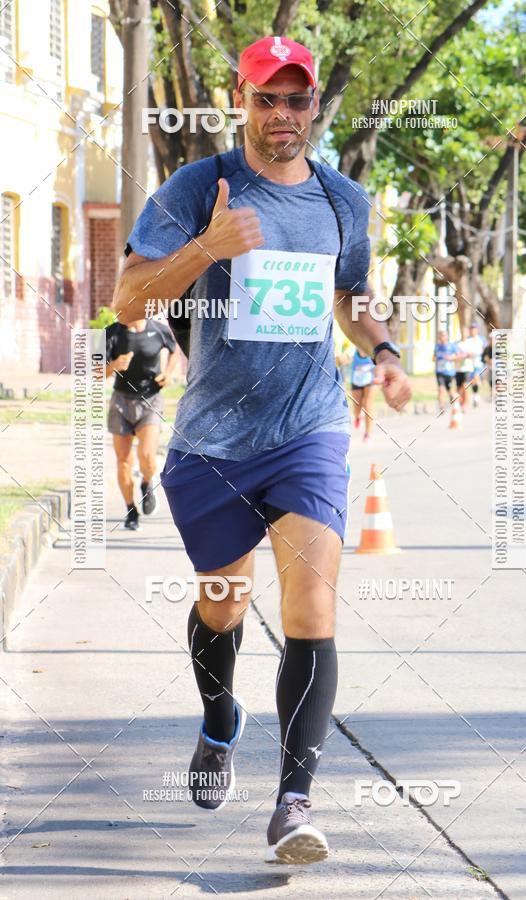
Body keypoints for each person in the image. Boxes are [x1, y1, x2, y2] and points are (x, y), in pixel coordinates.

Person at [112, 35, 411, 865]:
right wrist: (208, 247)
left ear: (316, 104)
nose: (283, 115)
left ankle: (292, 802)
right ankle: (219, 722)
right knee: (223, 605)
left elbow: (350, 303)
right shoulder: (197, 186)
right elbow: (126, 294)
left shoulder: (345, 200)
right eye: (266, 99)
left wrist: (382, 353)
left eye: (297, 99)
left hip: (309, 430)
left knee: (312, 610)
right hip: (212, 443)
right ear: (241, 102)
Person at [106, 317, 178, 529]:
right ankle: (131, 510)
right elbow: (93, 371)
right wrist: (113, 366)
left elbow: (174, 349)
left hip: (150, 399)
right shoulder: (111, 332)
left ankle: (147, 482)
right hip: (121, 401)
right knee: (123, 461)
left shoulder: (159, 330)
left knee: (146, 454)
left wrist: (168, 372)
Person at [350, 348, 376, 443]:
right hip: (356, 381)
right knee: (357, 407)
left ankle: (367, 434)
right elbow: (346, 358)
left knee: (367, 404)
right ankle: (358, 416)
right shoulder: (353, 351)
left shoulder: (372, 351)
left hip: (370, 381)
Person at [433, 328, 458, 413]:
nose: (442, 337)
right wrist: (436, 358)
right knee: (441, 390)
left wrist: (451, 358)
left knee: (451, 392)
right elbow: (433, 357)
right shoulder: (437, 346)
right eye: (441, 335)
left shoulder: (451, 346)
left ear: (447, 336)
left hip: (450, 373)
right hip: (440, 372)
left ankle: (456, 405)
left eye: (444, 335)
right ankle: (441, 408)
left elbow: (458, 356)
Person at [454, 326, 476, 410]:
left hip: (467, 368)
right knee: (458, 387)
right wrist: (459, 356)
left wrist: (468, 355)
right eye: (462, 332)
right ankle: (460, 402)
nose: (463, 334)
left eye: (465, 332)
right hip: (458, 368)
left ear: (467, 333)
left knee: (464, 386)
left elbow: (474, 353)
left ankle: (464, 404)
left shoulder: (470, 343)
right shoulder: (457, 343)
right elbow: (455, 355)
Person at [464, 322, 486, 407]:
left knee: (475, 377)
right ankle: (475, 396)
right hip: (469, 363)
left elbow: (485, 349)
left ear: (477, 330)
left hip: (478, 363)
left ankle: (476, 395)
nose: (473, 331)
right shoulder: (467, 339)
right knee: (472, 381)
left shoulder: (481, 339)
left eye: (474, 329)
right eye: (471, 329)